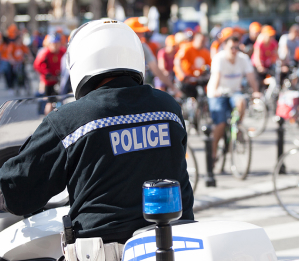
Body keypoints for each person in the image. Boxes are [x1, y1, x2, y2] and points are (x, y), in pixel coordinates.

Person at [0, 20, 194, 254]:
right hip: (178, 243)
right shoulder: (168, 108)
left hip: (106, 250)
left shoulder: (70, 119)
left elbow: (20, 188)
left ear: (80, 61)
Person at [206, 36, 261, 161]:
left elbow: (251, 77)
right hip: (218, 93)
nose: (234, 50)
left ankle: (237, 127)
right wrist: (215, 90)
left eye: (237, 47)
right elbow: (216, 76)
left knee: (241, 102)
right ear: (225, 47)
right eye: (232, 47)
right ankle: (213, 155)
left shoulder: (243, 59)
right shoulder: (219, 58)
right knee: (220, 124)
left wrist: (256, 92)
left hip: (234, 92)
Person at [124, 17, 176, 93]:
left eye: (142, 32)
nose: (142, 35)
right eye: (138, 32)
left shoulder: (142, 46)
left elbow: (156, 69)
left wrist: (172, 87)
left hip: (136, 88)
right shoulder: (118, 48)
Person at [174, 33, 211, 98]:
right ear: (195, 40)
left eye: (205, 41)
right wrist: (182, 75)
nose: (203, 43)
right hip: (186, 79)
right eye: (202, 41)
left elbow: (209, 66)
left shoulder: (205, 52)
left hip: (198, 78)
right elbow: (177, 61)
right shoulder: (187, 48)